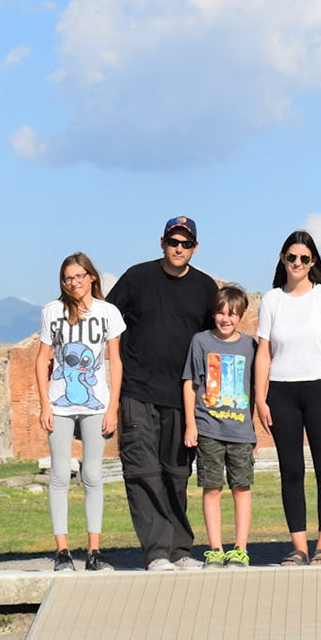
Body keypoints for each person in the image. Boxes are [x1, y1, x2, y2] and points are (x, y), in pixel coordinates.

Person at [107, 216, 218, 572]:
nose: (179, 248)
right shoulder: (137, 278)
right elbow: (106, 320)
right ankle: (156, 552)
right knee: (143, 471)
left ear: (195, 248)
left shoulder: (205, 287)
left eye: (186, 243)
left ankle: (179, 549)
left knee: (176, 474)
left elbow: (215, 340)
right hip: (137, 391)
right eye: (173, 242)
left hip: (183, 396)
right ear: (162, 242)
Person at [253, 230, 321, 566]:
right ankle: (299, 548)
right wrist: (260, 398)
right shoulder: (271, 300)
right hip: (282, 392)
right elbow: (264, 353)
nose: (297, 263)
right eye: (291, 257)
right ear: (282, 259)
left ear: (313, 262)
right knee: (291, 470)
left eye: (304, 258)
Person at [35, 253, 125, 573]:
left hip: (96, 404)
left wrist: (113, 406)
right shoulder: (52, 312)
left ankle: (94, 552)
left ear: (92, 277)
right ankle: (62, 552)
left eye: (79, 276)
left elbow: (115, 361)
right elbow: (42, 359)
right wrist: (44, 404)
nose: (73, 282)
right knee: (60, 474)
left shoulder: (107, 313)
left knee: (93, 475)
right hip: (58, 404)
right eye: (67, 278)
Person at [182, 284, 256, 568]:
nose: (226, 319)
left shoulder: (250, 346)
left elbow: (256, 386)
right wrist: (191, 424)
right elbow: (190, 383)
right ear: (213, 314)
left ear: (241, 316)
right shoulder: (201, 341)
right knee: (211, 488)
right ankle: (215, 548)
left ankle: (240, 548)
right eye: (221, 313)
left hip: (240, 431)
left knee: (241, 487)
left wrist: (253, 427)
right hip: (208, 428)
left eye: (232, 314)